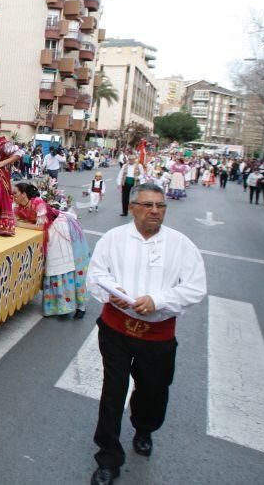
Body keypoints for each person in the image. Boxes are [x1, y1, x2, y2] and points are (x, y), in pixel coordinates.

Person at [87, 183, 207, 485]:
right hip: (116, 328)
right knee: (113, 391)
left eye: (161, 206)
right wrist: (110, 293)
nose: (156, 211)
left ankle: (144, 428)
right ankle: (108, 456)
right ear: (133, 207)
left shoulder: (181, 245)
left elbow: (195, 288)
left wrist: (159, 301)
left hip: (158, 335)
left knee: (153, 389)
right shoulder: (113, 239)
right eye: (148, 205)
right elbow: (97, 274)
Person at [12, 182, 88, 319]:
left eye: (15, 193)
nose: (13, 196)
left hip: (59, 230)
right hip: (50, 233)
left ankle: (80, 306)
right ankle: (59, 305)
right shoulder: (19, 207)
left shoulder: (38, 203)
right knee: (52, 268)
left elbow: (41, 227)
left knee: (64, 266)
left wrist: (19, 224)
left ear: (24, 194)